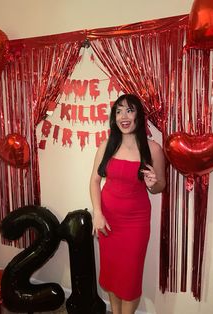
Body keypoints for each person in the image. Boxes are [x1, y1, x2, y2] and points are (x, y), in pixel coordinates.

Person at [89, 94, 166, 314]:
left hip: (135, 224)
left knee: (130, 280)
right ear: (114, 117)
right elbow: (94, 181)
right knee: (112, 275)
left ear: (138, 116)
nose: (124, 116)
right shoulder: (107, 146)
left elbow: (160, 186)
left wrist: (154, 183)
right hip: (108, 220)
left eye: (129, 110)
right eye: (119, 111)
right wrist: (97, 213)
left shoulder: (153, 149)